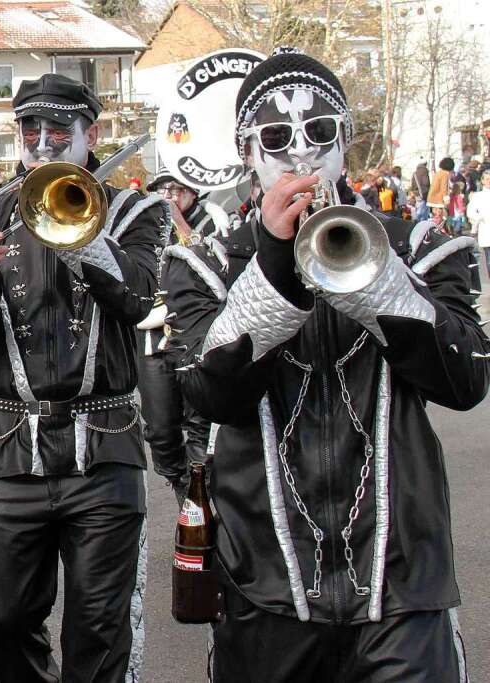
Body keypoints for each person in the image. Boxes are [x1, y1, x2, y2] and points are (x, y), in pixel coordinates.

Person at [165, 47, 489, 681]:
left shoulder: (421, 245)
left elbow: (466, 380)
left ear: (344, 139)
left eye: (318, 133)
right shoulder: (201, 261)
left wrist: (378, 283)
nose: (301, 154)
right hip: (265, 587)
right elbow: (213, 396)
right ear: (246, 150)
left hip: (402, 587)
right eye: (277, 137)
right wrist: (276, 265)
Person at [0, 73, 167, 682]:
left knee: (98, 623)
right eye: (29, 130)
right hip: (10, 448)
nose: (41, 143)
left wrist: (79, 228)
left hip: (105, 446)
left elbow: (140, 299)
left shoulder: (138, 210)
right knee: (0, 614)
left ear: (89, 136)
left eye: (58, 131)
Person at [137, 167, 217, 500]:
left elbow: (214, 267)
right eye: (161, 189)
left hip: (198, 340)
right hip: (154, 338)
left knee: (199, 426)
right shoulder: (145, 224)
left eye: (176, 189)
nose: (168, 196)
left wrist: (181, 226)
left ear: (193, 192)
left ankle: (200, 501)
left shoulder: (213, 222)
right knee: (160, 429)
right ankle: (180, 485)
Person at [468, 170, 490, 277]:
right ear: (482, 181)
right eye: (487, 179)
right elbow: (471, 212)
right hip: (486, 229)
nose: (489, 181)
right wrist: (479, 219)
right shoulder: (478, 196)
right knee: (489, 260)